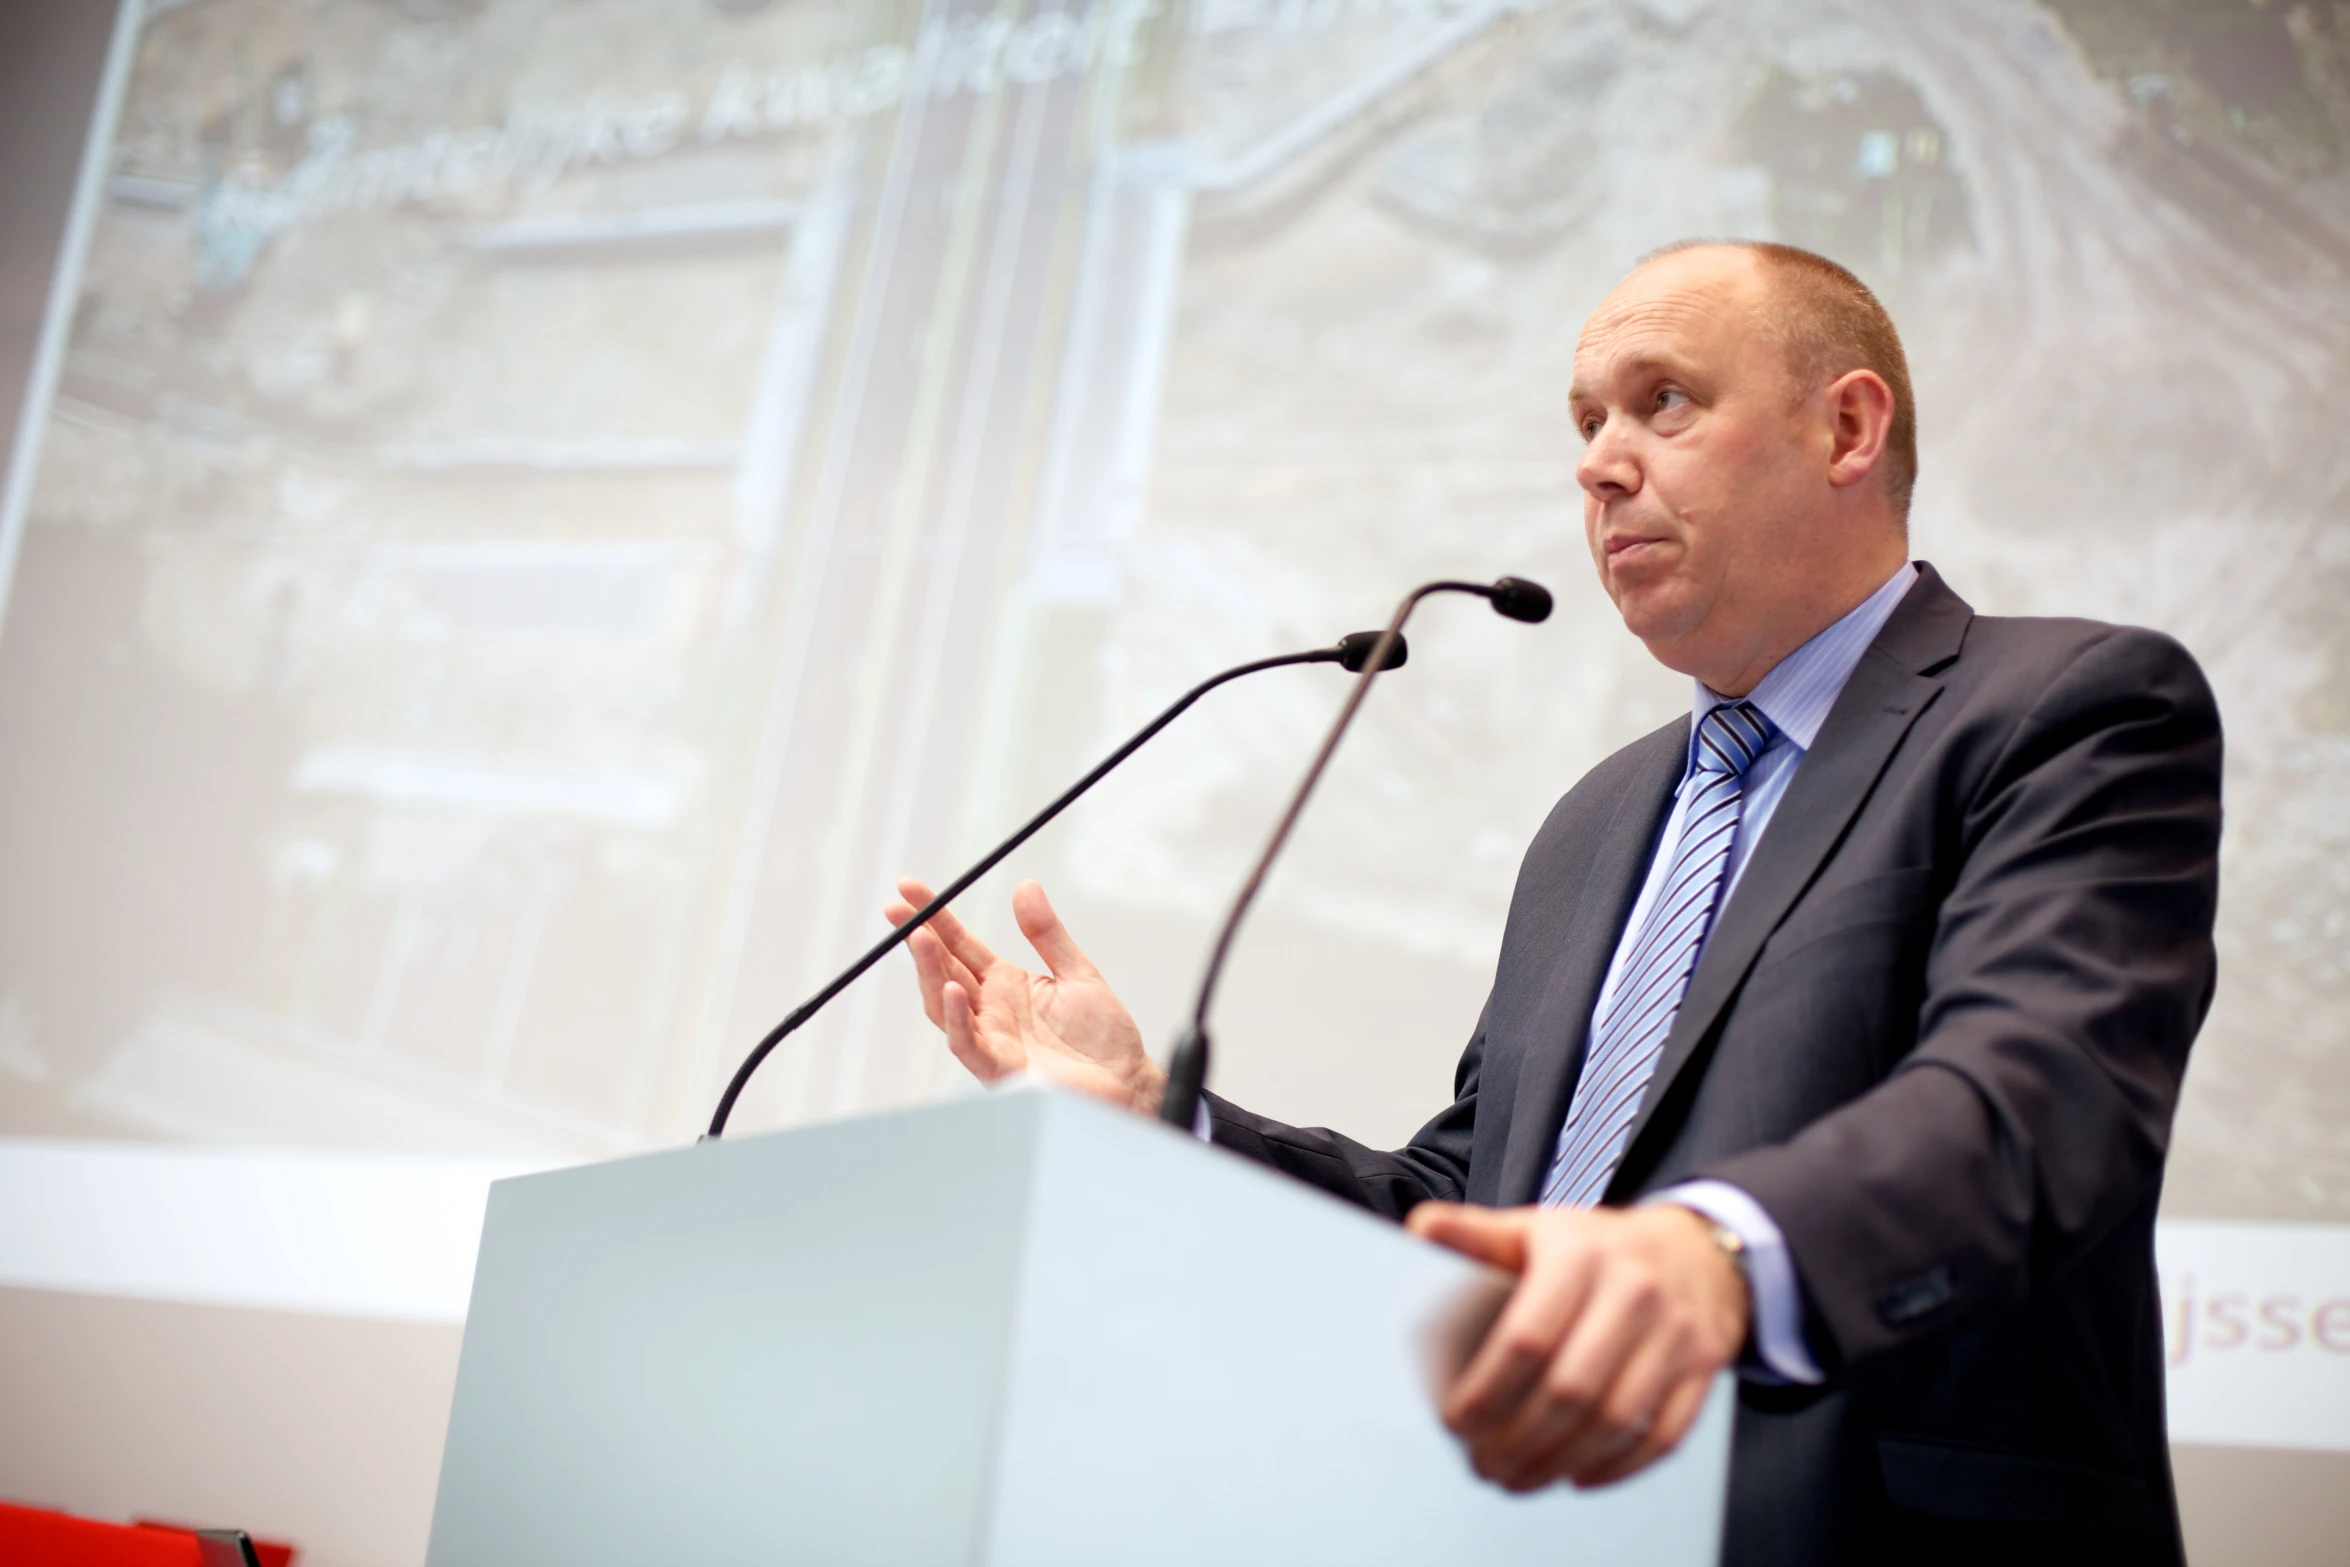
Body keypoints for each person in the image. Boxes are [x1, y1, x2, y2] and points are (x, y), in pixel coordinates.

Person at [883, 241, 2221, 1566]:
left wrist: (1711, 1260)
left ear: (1846, 428)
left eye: (1663, 401)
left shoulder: (2061, 712)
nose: (1596, 462)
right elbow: (1467, 1202)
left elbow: (2033, 1097)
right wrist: (1158, 1117)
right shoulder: (1596, 821)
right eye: (1583, 421)